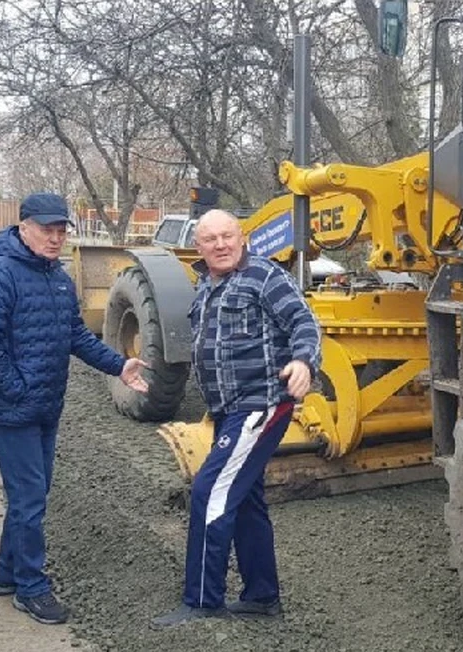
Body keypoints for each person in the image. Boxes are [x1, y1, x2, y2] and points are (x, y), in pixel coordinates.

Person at [0, 192, 148, 625]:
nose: (55, 237)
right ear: (23, 227)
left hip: (46, 406)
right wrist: (18, 389)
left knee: (32, 494)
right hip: (13, 409)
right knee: (29, 498)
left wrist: (120, 365)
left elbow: (75, 337)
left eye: (61, 229)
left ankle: (6, 575)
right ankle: (31, 588)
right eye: (47, 229)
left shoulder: (57, 278)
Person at [152, 209, 321, 627]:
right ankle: (263, 597)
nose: (221, 245)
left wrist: (303, 361)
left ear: (242, 237)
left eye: (228, 236)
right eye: (211, 239)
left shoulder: (265, 276)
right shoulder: (204, 287)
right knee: (245, 499)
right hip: (228, 409)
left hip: (259, 404)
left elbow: (304, 321)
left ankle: (201, 601)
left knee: (209, 493)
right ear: (199, 247)